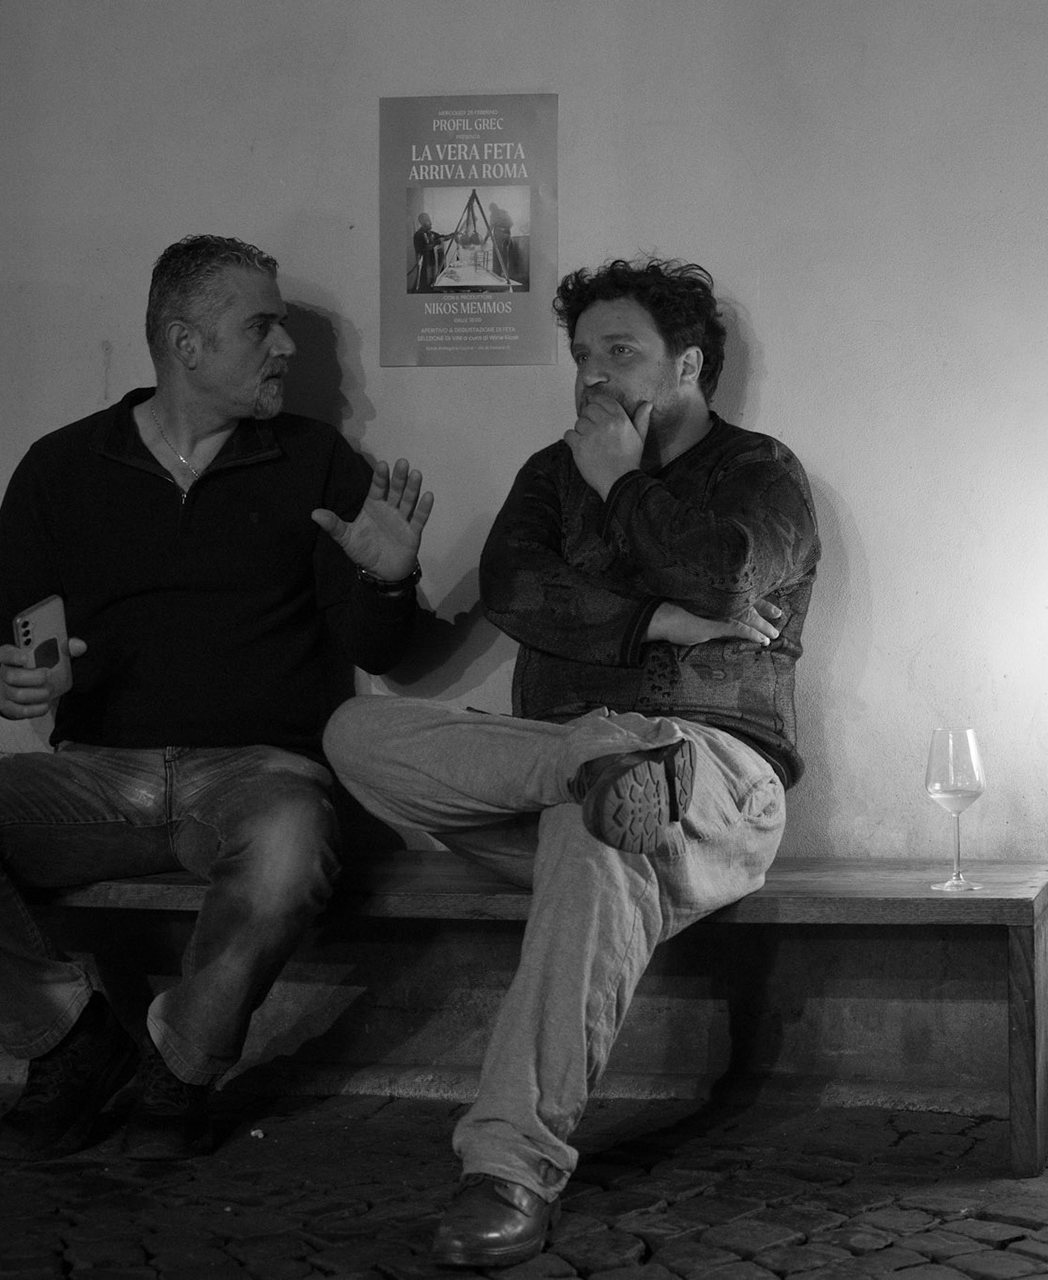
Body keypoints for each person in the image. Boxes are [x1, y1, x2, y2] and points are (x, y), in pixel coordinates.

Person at [0, 234, 434, 1160]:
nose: (285, 347)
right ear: (186, 342)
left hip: (255, 776)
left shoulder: (316, 461)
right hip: (93, 776)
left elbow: (381, 651)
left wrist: (390, 580)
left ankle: (180, 1067)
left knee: (290, 842)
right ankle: (70, 1042)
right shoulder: (64, 465)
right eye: (263, 327)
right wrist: (4, 676)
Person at [324, 257, 819, 1270]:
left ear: (688, 365)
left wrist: (622, 484)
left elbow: (727, 573)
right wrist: (655, 622)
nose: (592, 374)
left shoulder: (761, 472)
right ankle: (591, 763)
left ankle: (507, 1169)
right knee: (355, 731)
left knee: (603, 830)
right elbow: (516, 589)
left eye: (620, 352)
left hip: (713, 774)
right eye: (583, 353)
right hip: (556, 768)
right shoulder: (549, 474)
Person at [413, 211, 453, 292]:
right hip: (424, 265)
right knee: (424, 284)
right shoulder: (418, 235)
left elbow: (443, 237)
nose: (431, 223)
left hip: (432, 264)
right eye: (428, 221)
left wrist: (453, 234)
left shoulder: (431, 234)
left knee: (432, 282)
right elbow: (422, 249)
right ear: (422, 223)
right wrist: (436, 242)